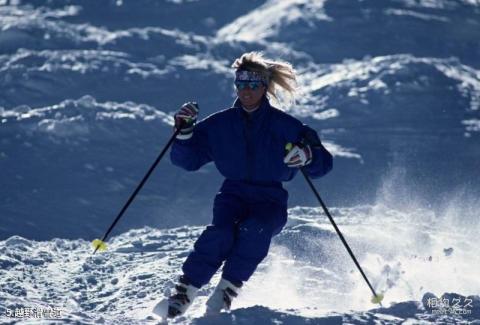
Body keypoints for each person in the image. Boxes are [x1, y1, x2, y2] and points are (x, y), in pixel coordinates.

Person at [163, 52, 332, 318]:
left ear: (265, 87)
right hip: (233, 195)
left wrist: (308, 155)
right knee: (221, 234)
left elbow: (323, 164)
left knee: (256, 230)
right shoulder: (220, 124)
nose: (246, 91)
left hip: (270, 199)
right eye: (241, 84)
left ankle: (226, 290)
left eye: (253, 85)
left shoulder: (286, 126)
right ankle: (184, 292)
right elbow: (188, 161)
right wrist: (183, 133)